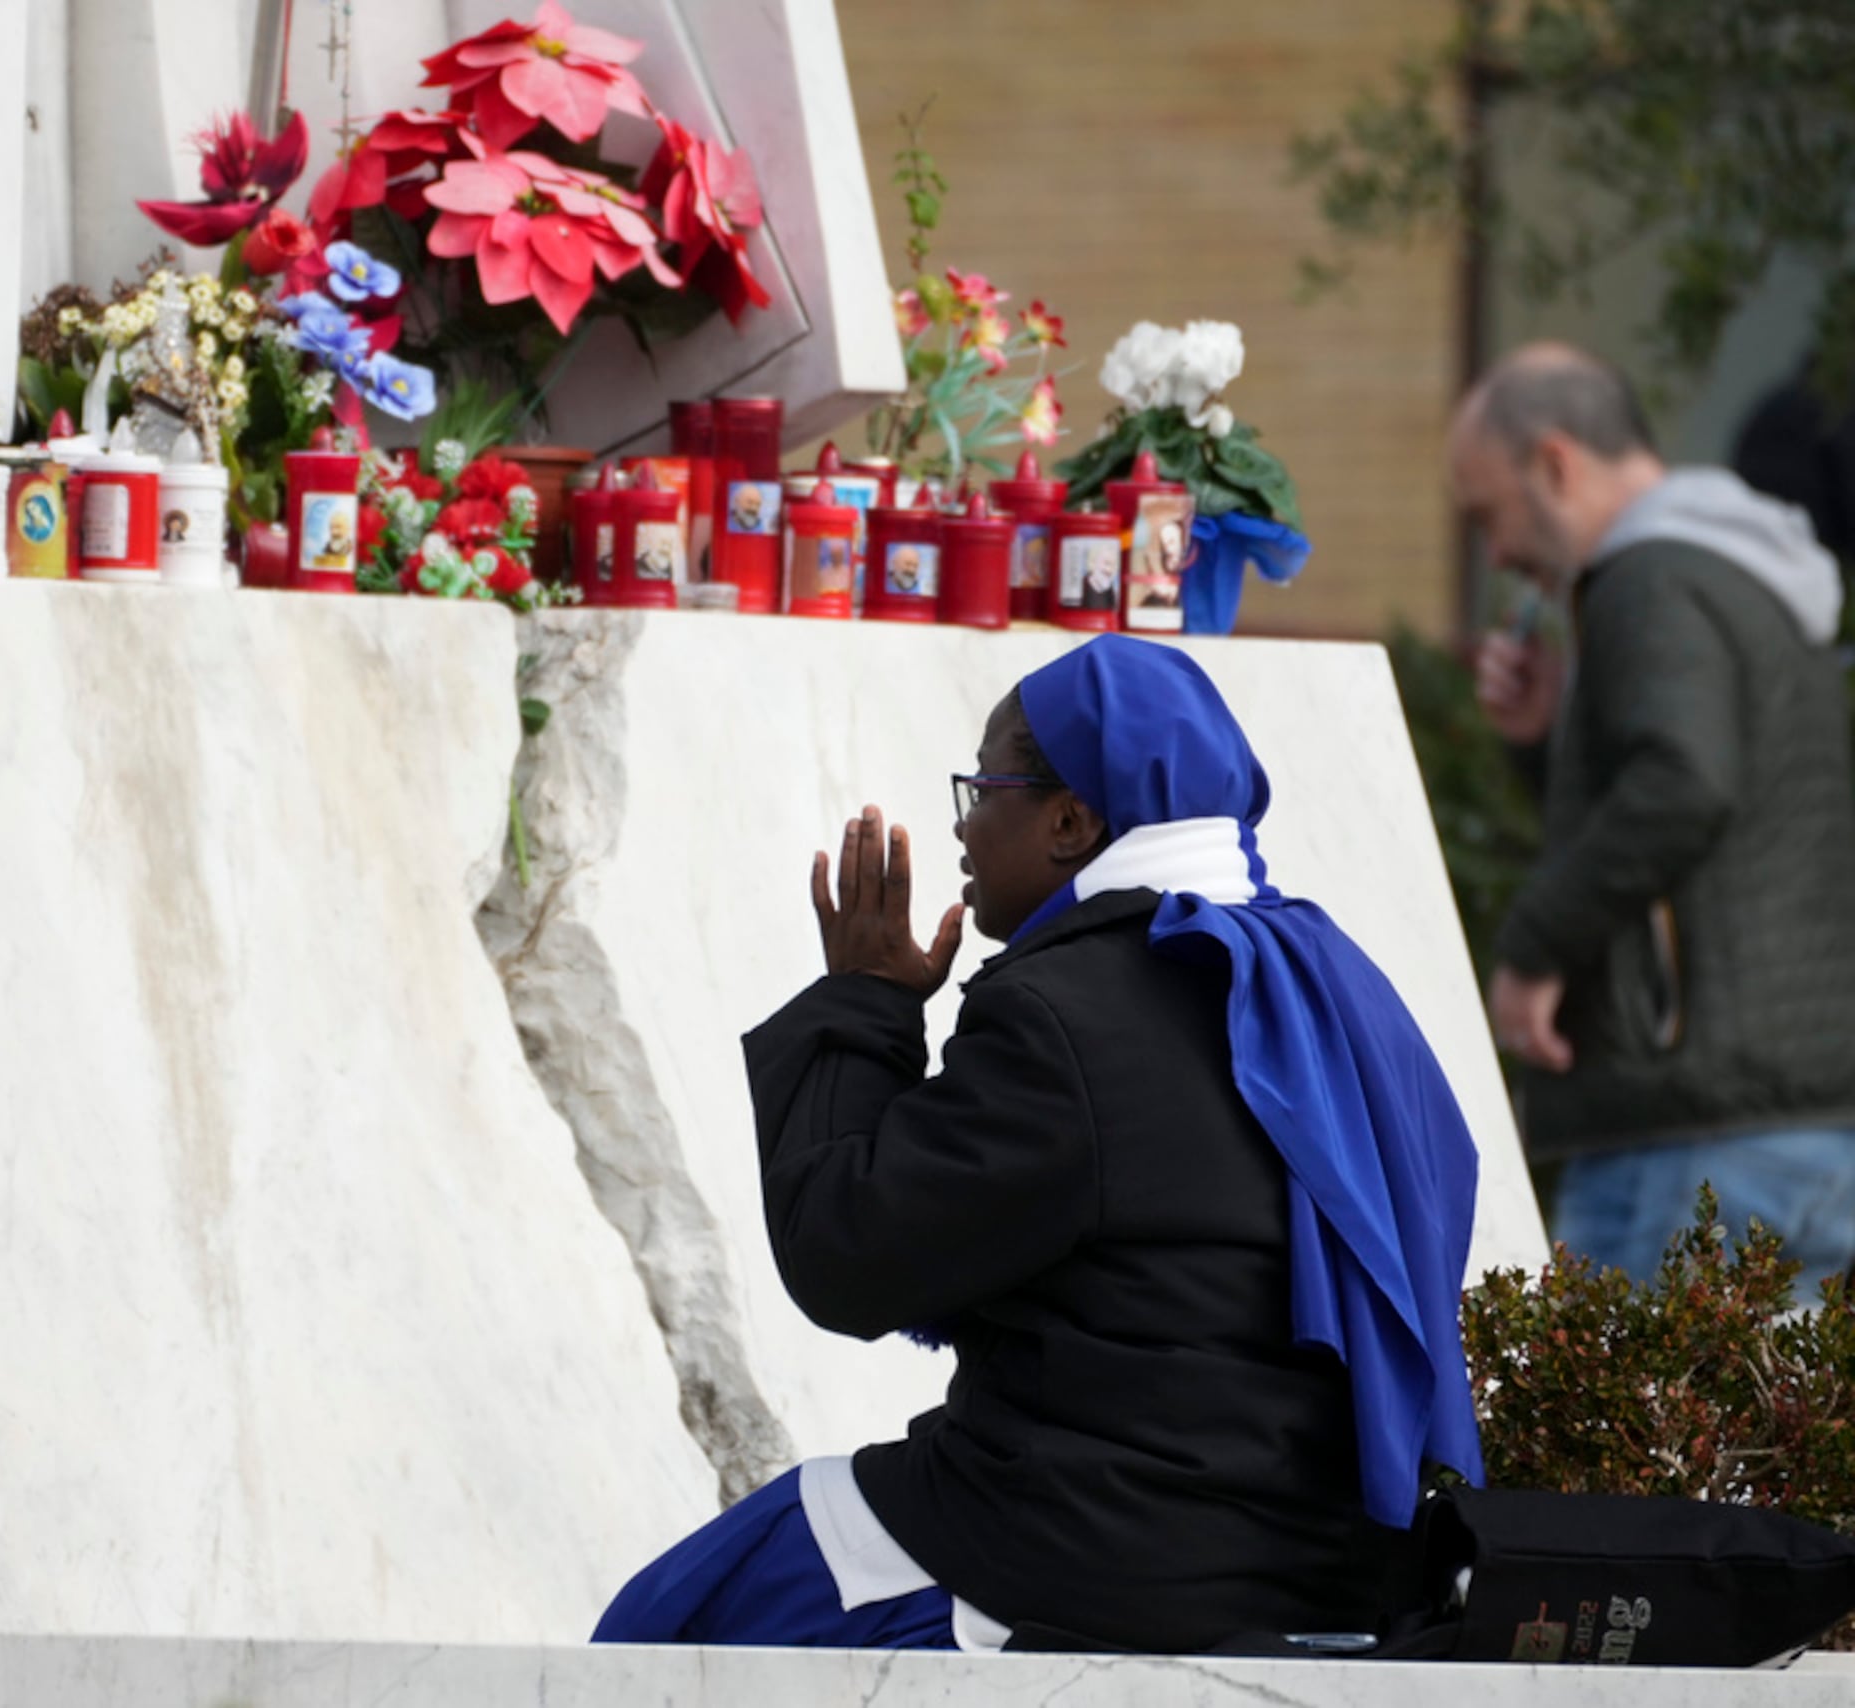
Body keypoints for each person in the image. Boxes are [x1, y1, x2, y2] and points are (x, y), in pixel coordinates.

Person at [593, 636, 1484, 1653]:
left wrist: (865, 1007)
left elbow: (847, 1258)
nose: (965, 824)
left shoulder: (1068, 1010)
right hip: (1336, 1570)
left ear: (1069, 821)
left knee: (674, 1623)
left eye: (984, 786)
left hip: (1097, 1558)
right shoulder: (1342, 987)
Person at [1454, 344, 1855, 1297]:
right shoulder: (1736, 571)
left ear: (1555, 463)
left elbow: (1683, 784)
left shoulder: (1647, 580)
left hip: (1692, 1133)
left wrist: (1534, 949)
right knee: (1767, 1447)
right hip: (1802, 1118)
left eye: (1487, 514)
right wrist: (1549, 734)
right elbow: (1716, 802)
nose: (1496, 552)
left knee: (1613, 1436)